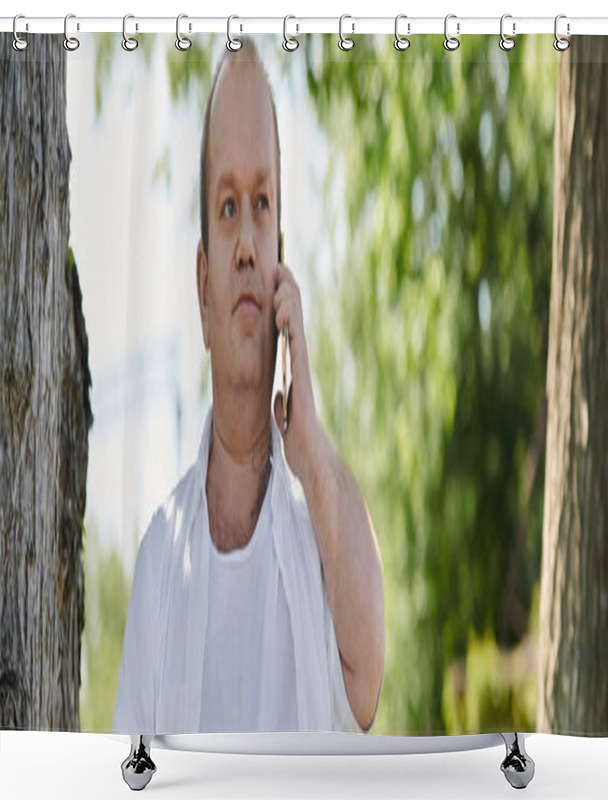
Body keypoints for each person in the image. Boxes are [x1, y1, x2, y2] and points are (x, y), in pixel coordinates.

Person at [113, 37, 385, 735]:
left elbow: (368, 679)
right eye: (227, 206)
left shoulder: (316, 529)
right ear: (203, 290)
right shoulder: (158, 563)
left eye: (261, 203)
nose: (244, 242)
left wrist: (312, 445)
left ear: (280, 268)